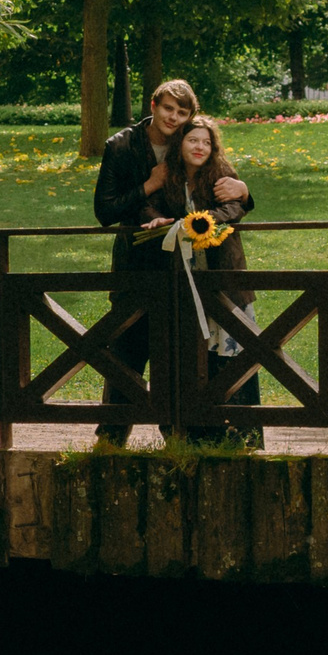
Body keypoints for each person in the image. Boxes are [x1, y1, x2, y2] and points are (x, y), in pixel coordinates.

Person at [90, 81, 251, 444]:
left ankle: (179, 432)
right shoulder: (121, 145)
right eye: (168, 109)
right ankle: (111, 435)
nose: (173, 118)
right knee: (127, 348)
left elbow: (215, 187)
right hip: (138, 262)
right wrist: (148, 186)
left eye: (182, 113)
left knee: (180, 350)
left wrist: (245, 192)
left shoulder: (189, 141)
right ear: (153, 105)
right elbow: (105, 210)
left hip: (183, 266)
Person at [147, 115, 262, 446]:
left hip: (222, 281)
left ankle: (241, 434)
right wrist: (157, 222)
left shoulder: (223, 175)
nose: (200, 147)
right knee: (189, 352)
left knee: (233, 351)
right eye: (192, 140)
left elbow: (234, 210)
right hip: (182, 282)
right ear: (179, 143)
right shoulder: (168, 178)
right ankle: (190, 434)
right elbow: (150, 208)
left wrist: (201, 223)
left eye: (206, 142)